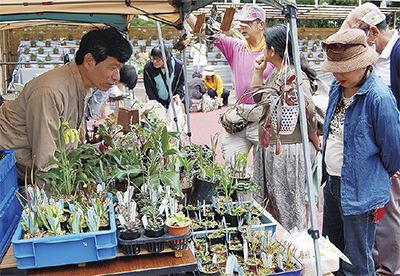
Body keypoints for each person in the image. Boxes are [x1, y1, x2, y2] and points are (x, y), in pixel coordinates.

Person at [0, 27, 132, 189]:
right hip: (12, 173)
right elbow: (46, 163)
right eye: (113, 67)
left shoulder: (81, 86)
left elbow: (64, 145)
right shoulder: (51, 91)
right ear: (89, 60)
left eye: (119, 69)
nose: (117, 76)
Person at [320, 28, 400, 275]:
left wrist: (376, 176)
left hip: (360, 189)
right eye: (334, 67)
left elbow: (393, 150)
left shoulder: (378, 96)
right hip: (333, 183)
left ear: (363, 64)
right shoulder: (337, 86)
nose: (338, 74)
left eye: (345, 67)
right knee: (331, 251)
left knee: (357, 258)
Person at [340, 4, 400, 275]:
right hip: (379, 145)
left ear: (373, 32)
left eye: (360, 39)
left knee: (390, 209)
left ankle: (390, 268)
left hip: (391, 146)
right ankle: (376, 262)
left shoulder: (397, 54)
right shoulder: (381, 56)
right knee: (377, 212)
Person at [251, 24, 320, 231]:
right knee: (276, 204)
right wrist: (258, 71)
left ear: (272, 51)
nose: (262, 51)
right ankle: (285, 249)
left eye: (265, 47)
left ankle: (296, 250)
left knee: (289, 207)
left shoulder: (293, 76)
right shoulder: (276, 74)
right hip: (273, 149)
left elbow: (308, 109)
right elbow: (257, 98)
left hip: (287, 151)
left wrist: (314, 138)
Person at [194, 3, 275, 168]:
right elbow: (205, 31)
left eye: (247, 23)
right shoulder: (236, 46)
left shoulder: (273, 50)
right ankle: (241, 195)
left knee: (266, 171)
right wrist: (185, 11)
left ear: (261, 24)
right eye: (240, 23)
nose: (242, 26)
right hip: (240, 119)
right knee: (233, 167)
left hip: (265, 120)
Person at [144, 45, 185, 109]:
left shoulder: (178, 65)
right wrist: (154, 101)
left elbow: (181, 82)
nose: (155, 62)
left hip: (174, 99)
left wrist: (178, 94)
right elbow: (148, 87)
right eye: (153, 58)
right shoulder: (148, 68)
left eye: (158, 59)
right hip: (157, 100)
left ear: (166, 58)